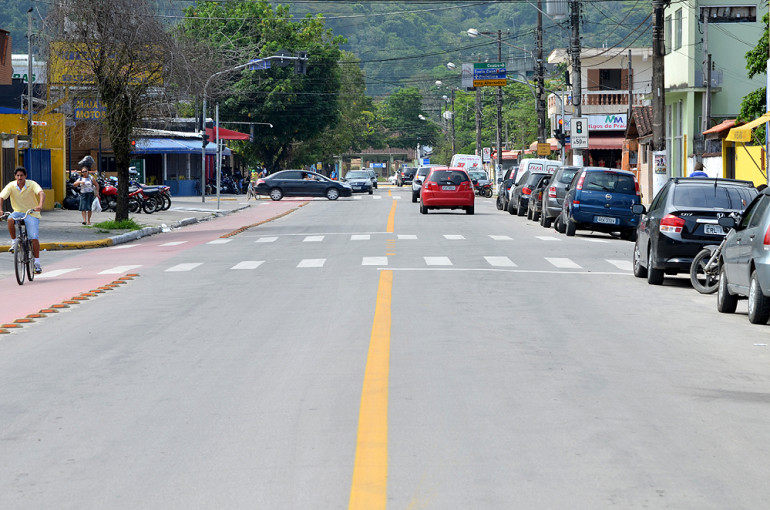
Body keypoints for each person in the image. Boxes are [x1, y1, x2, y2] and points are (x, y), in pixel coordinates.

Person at [0, 166, 46, 273]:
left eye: (22, 175)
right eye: (18, 175)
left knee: (34, 237)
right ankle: (14, 241)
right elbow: (1, 197)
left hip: (32, 213)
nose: (20, 177)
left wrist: (40, 205)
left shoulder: (32, 184)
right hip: (17, 212)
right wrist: (0, 210)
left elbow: (41, 193)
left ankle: (37, 263)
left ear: (25, 176)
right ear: (15, 176)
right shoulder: (11, 185)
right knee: (10, 219)